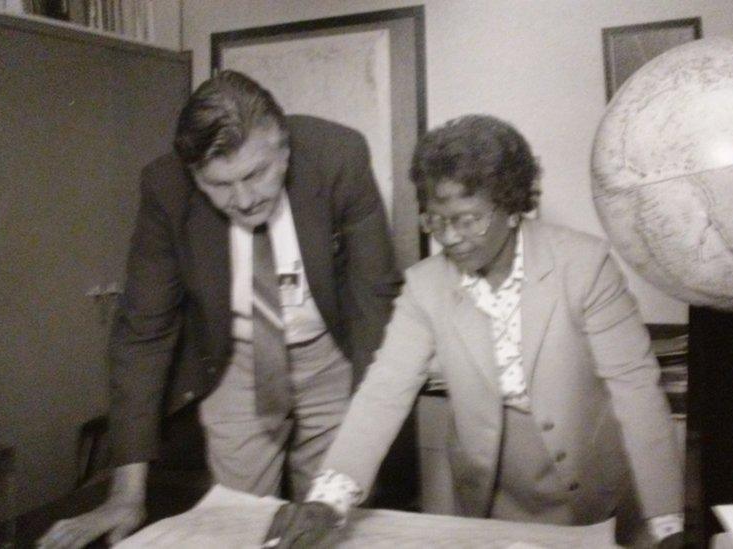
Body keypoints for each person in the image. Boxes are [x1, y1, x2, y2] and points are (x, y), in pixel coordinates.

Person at [265, 115, 684, 548]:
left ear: (511, 205)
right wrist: (327, 501)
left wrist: (667, 522)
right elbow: (382, 393)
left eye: (468, 220)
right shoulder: (425, 286)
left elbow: (636, 392)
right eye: (437, 221)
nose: (451, 238)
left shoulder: (584, 266)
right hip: (490, 503)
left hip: (599, 496)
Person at [38, 71, 399, 548]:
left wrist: (365, 429)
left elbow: (373, 298)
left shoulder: (339, 156)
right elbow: (144, 331)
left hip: (331, 353)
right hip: (236, 361)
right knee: (238, 523)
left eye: (256, 174)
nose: (244, 200)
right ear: (193, 175)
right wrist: (126, 495)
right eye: (220, 185)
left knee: (333, 522)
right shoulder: (165, 188)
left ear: (284, 150)